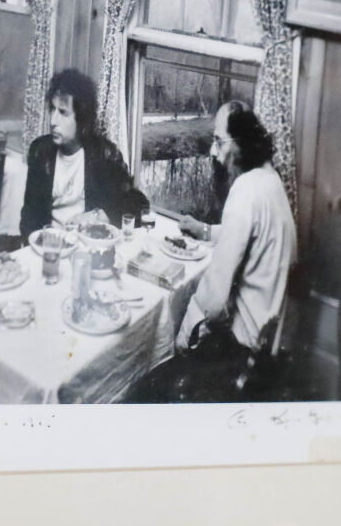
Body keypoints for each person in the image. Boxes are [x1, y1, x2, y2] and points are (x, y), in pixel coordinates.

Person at [166, 102, 295, 389]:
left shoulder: (244, 190)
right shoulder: (269, 180)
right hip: (269, 342)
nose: (213, 152)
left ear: (239, 144)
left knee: (162, 366)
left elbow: (213, 297)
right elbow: (252, 233)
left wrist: (183, 336)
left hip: (243, 350)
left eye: (218, 142)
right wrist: (205, 231)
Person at [20, 68, 148, 235]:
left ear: (83, 119)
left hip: (86, 248)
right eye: (52, 109)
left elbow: (138, 204)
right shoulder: (40, 151)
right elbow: (29, 217)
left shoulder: (104, 154)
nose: (53, 121)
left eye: (63, 112)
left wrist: (96, 216)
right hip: (49, 247)